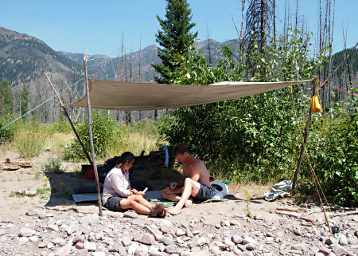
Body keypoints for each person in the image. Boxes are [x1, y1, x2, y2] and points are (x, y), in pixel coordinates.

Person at [102, 152, 166, 217]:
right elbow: (120, 191)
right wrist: (133, 193)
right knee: (131, 203)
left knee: (138, 197)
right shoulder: (114, 173)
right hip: (110, 199)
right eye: (131, 164)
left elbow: (127, 187)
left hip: (121, 196)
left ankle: (153, 207)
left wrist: (134, 191)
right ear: (126, 162)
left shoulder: (125, 172)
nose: (132, 166)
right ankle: (151, 212)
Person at [167, 144, 217, 215]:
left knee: (188, 181)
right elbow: (184, 181)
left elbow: (190, 183)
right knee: (164, 191)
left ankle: (178, 207)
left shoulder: (197, 164)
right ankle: (186, 201)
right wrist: (175, 185)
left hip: (206, 191)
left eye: (179, 158)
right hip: (193, 192)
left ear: (185, 154)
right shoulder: (184, 164)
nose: (178, 160)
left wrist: (175, 191)